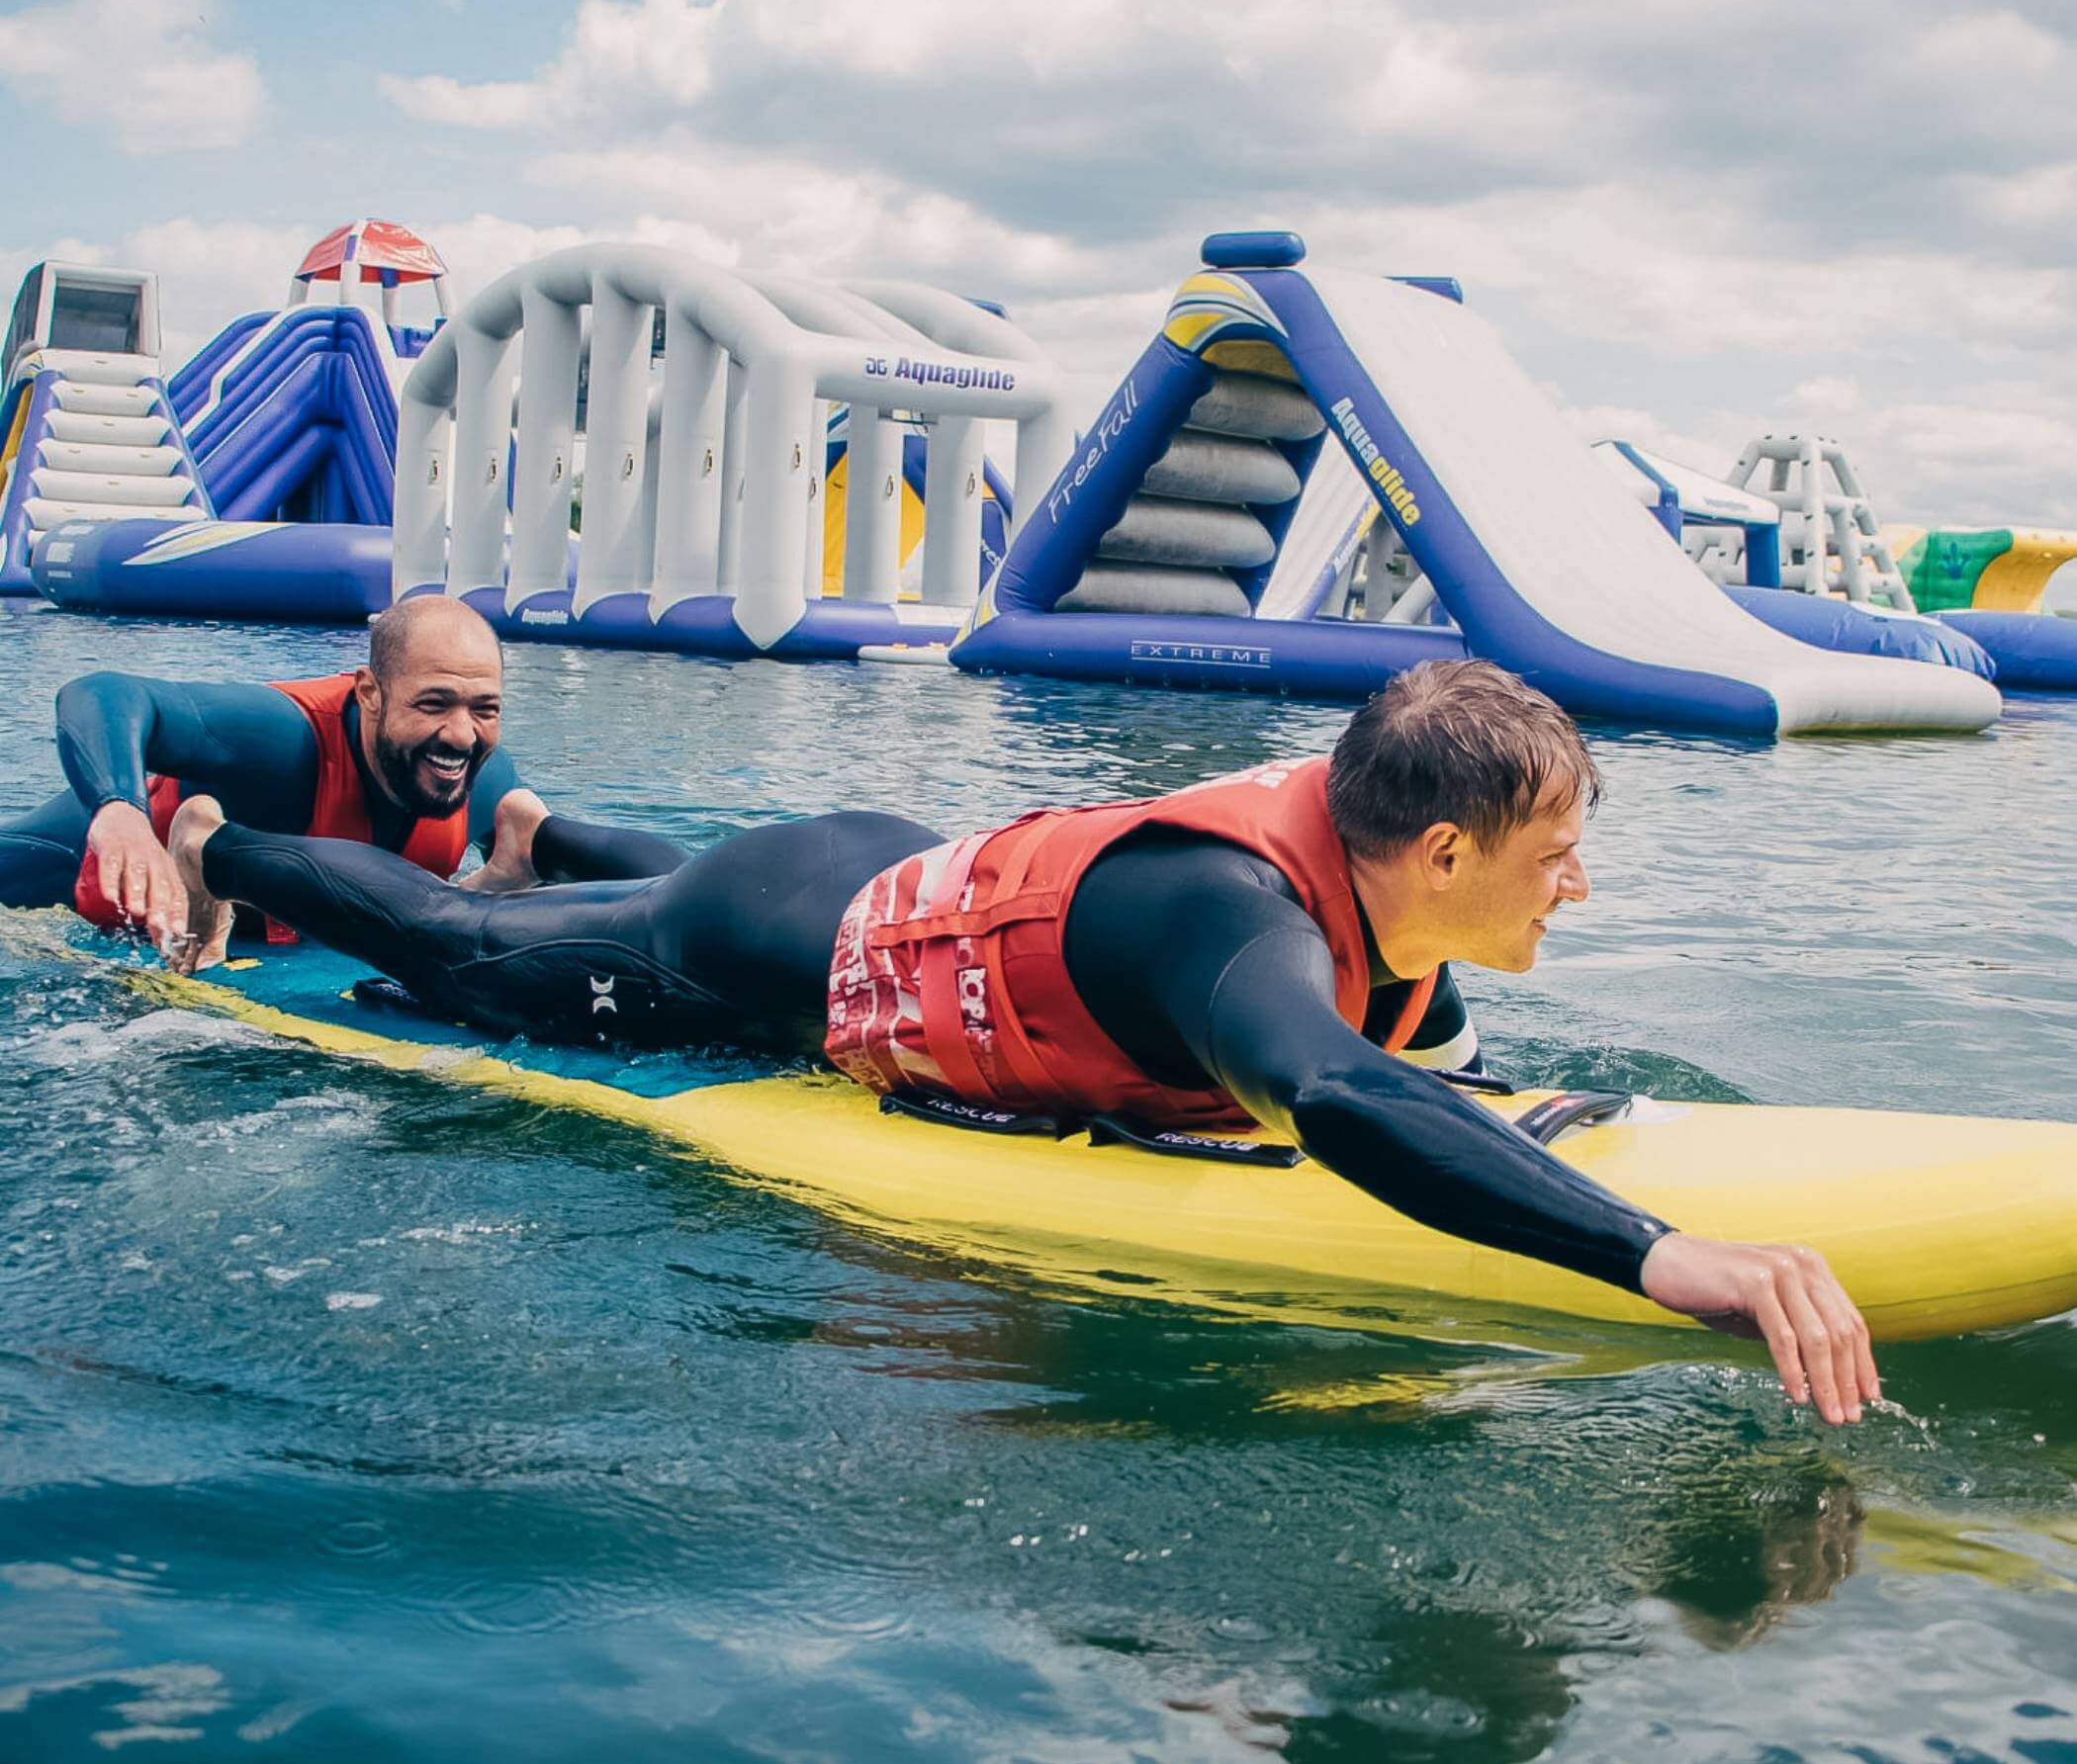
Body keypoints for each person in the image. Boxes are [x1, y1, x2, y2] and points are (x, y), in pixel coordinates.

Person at [162, 659, 1881, 1425]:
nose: (1577, 886)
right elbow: (1346, 1096)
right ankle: (219, 843)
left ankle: (565, 833)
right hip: (784, 936)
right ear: (1438, 852)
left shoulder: (1400, 926)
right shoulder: (1236, 921)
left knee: (563, 903)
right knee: (469, 949)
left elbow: (1406, 1065)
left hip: (905, 867)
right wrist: (1662, 1259)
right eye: (1554, 854)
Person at [0, 594, 527, 959]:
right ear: (369, 693)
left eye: (485, 709)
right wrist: (119, 814)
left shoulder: (478, 781)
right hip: (41, 890)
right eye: (434, 704)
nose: (462, 735)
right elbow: (100, 693)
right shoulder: (283, 742)